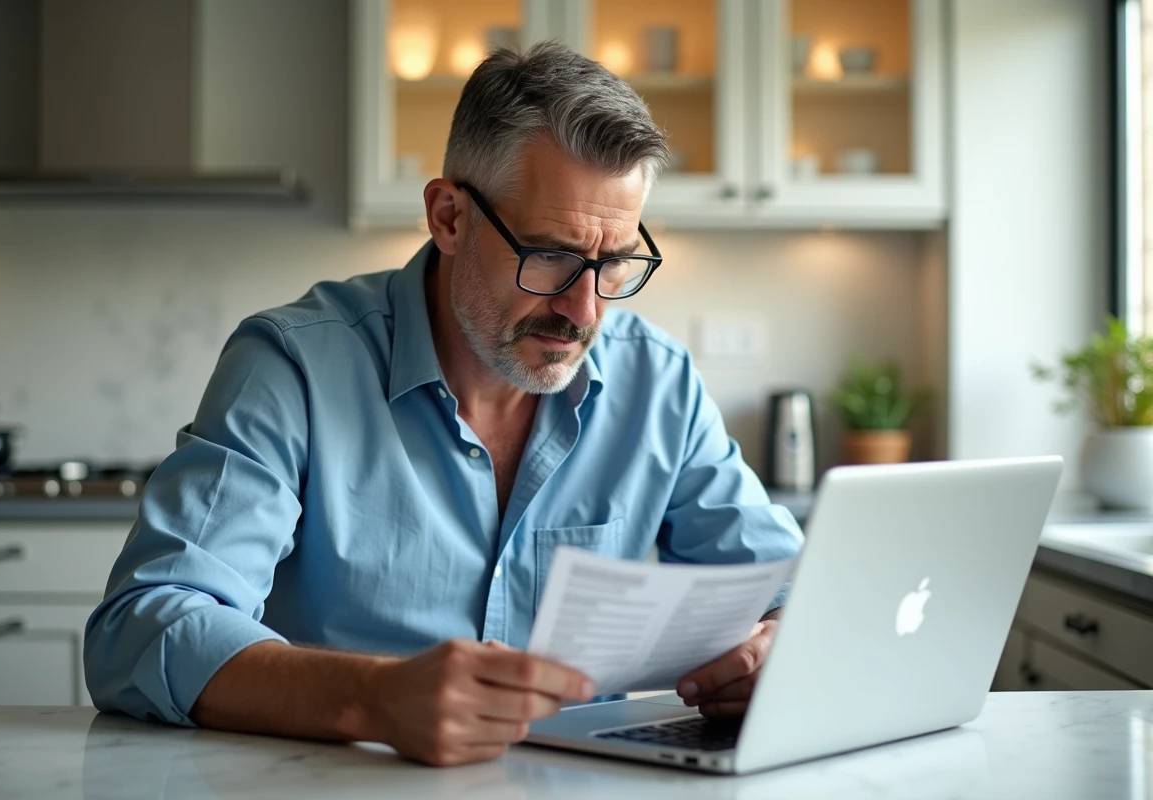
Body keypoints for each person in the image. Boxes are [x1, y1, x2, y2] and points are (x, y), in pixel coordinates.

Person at [83, 42, 802, 768]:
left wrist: (781, 643)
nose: (584, 312)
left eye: (612, 263)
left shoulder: (659, 382)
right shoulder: (293, 367)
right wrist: (373, 698)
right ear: (449, 217)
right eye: (550, 255)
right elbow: (143, 628)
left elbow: (793, 586)